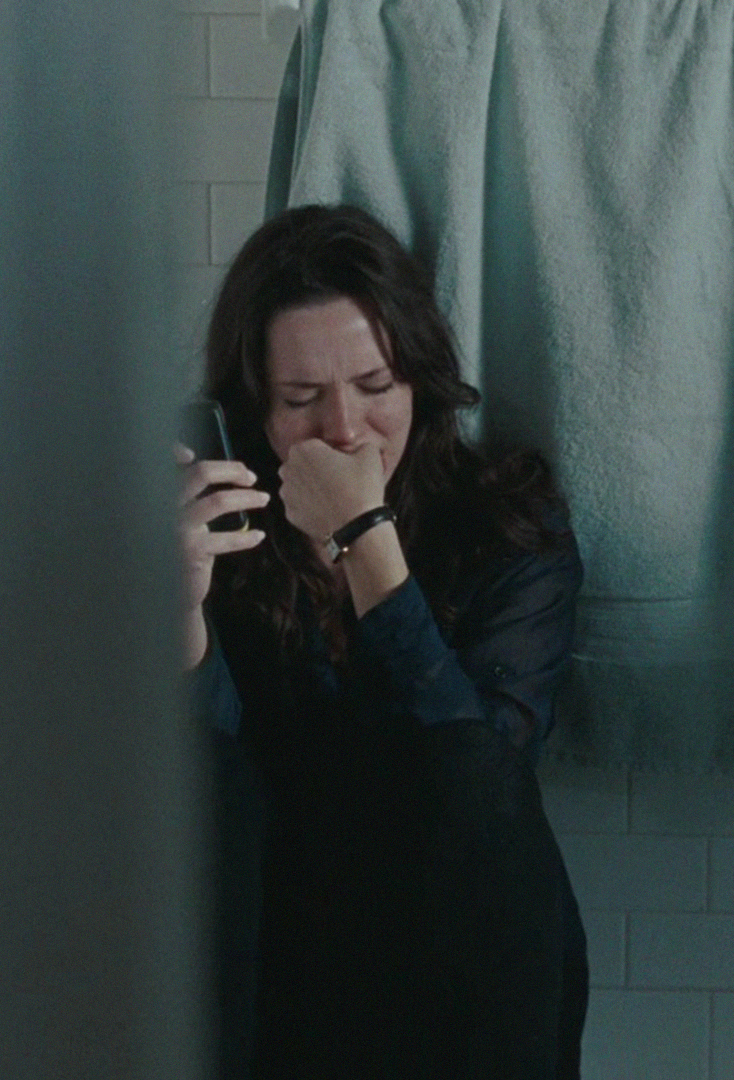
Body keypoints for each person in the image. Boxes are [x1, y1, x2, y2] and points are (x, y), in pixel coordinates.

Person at [178, 204, 588, 1079]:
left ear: (419, 383)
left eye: (375, 386)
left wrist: (365, 537)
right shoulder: (230, 542)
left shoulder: (508, 527)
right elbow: (207, 785)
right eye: (301, 400)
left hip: (454, 934)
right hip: (278, 928)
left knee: (473, 777)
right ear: (255, 411)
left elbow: (480, 777)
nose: (344, 429)